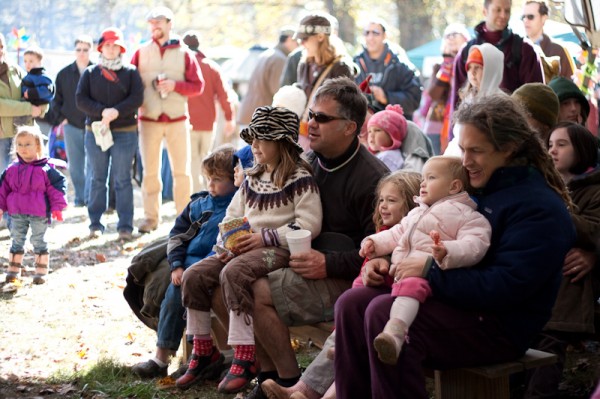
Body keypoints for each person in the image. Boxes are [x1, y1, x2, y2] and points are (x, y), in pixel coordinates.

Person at [333, 93, 575, 399]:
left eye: (476, 151)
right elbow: (426, 236)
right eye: (462, 149)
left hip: (500, 325)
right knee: (352, 304)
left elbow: (506, 288)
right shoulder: (478, 187)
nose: (466, 161)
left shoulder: (539, 208)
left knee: (382, 313)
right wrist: (391, 267)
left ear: (509, 148)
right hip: (453, 300)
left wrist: (428, 271)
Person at [176, 106, 323, 393]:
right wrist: (229, 242)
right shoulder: (252, 177)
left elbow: (309, 224)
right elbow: (232, 215)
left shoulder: (299, 179)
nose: (253, 146)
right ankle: (203, 349)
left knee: (235, 273)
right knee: (196, 276)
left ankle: (245, 356)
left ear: (280, 142)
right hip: (244, 248)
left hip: (279, 249)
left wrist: (264, 238)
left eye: (261, 139)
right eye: (252, 139)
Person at [261, 170, 422, 399]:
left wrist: (378, 269)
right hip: (356, 310)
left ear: (411, 206)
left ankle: (304, 391)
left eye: (392, 200)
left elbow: (398, 275)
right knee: (342, 345)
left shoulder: (405, 240)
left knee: (346, 348)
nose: (383, 206)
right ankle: (303, 391)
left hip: (382, 314)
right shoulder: (381, 235)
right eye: (381, 200)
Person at [360, 156, 491, 364]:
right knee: (361, 284)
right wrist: (374, 243)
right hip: (399, 270)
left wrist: (447, 250)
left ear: (454, 186)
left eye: (430, 178)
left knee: (409, 287)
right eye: (423, 178)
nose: (423, 183)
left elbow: (476, 244)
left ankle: (395, 332)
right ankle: (339, 340)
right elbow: (396, 233)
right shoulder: (417, 212)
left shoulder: (468, 216)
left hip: (426, 274)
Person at [131, 144, 242, 379]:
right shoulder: (199, 205)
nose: (210, 185)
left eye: (218, 179)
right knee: (174, 295)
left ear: (235, 178)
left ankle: (208, 356)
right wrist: (176, 265)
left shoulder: (240, 205)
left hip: (217, 264)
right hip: (187, 263)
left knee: (197, 289)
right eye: (208, 179)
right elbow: (177, 236)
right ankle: (162, 357)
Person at [523, 122, 600, 398]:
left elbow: (594, 231)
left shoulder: (595, 190)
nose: (552, 150)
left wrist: (556, 208)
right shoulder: (542, 186)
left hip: (568, 298)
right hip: (535, 289)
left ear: (581, 149)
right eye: (550, 144)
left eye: (562, 144)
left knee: (546, 359)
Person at [131, 6, 204, 233]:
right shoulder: (140, 52)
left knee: (181, 172)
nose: (154, 26)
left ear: (169, 24)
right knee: (150, 172)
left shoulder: (185, 54)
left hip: (177, 119)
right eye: (151, 22)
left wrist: (175, 86)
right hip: (149, 119)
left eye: (159, 22)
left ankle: (184, 218)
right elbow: (130, 86)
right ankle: (151, 218)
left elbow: (198, 86)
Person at [76, 27, 144, 240]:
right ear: (101, 48)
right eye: (108, 45)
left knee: (123, 179)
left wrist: (117, 111)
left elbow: (137, 98)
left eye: (115, 45)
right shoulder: (90, 73)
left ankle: (125, 226)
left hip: (125, 132)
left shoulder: (131, 72)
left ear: (121, 48)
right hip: (96, 132)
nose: (111, 49)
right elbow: (81, 99)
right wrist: (101, 111)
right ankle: (95, 223)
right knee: (97, 177)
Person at [450, 0, 544, 115]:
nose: (503, 15)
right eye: (498, 10)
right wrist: (454, 131)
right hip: (472, 125)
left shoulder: (524, 49)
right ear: (485, 11)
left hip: (513, 126)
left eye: (507, 11)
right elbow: (457, 100)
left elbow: (537, 97)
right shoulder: (466, 51)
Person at [0, 125, 67, 284]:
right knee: (16, 239)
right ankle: (13, 270)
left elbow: (56, 188)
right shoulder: (11, 170)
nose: (23, 148)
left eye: (27, 144)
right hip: (17, 212)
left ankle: (41, 271)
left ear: (37, 145)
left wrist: (57, 207)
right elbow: (2, 189)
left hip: (38, 212)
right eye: (20, 144)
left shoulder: (46, 169)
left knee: (38, 240)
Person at [182, 31, 235, 193]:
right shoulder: (211, 66)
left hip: (187, 122)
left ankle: (195, 196)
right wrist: (229, 117)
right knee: (206, 159)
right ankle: (208, 194)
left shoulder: (182, 66)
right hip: (207, 122)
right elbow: (223, 94)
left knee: (191, 161)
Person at [294, 13, 356, 150]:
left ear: (321, 37)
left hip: (329, 140)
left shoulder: (341, 67)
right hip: (305, 136)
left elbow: (346, 108)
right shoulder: (304, 64)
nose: (301, 44)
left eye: (304, 39)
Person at [49, 35, 94, 207]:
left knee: (93, 163)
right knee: (75, 165)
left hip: (94, 125)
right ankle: (80, 197)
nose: (82, 53)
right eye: (78, 49)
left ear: (91, 50)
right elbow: (55, 100)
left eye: (85, 49)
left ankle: (91, 196)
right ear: (74, 51)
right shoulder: (64, 74)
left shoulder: (98, 71)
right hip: (71, 125)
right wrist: (62, 119)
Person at [353, 18, 422, 118]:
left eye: (375, 33)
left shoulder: (400, 65)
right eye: (367, 33)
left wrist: (386, 97)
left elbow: (414, 100)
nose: (370, 37)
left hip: (393, 127)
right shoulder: (355, 63)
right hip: (362, 126)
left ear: (385, 36)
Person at [417, 23, 470, 154]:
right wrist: (447, 65)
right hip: (437, 124)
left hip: (462, 120)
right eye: (447, 35)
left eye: (455, 34)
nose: (451, 38)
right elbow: (434, 95)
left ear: (465, 39)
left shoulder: (470, 66)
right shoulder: (439, 67)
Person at [445, 43, 505, 156]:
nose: (472, 73)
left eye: (477, 67)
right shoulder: (468, 98)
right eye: (469, 68)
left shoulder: (501, 103)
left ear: (491, 69)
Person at [0, 33, 44, 174]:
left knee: (26, 179)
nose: (0, 50)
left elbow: (36, 89)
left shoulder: (15, 70)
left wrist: (42, 107)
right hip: (1, 138)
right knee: (3, 180)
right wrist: (29, 108)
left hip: (23, 135)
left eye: (1, 46)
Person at [237, 27, 299, 126]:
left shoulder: (267, 54)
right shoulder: (279, 59)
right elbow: (278, 92)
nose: (298, 46)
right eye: (297, 42)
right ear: (289, 40)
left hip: (251, 113)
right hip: (262, 118)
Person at [521, 1, 575, 79]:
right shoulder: (516, 49)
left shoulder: (559, 50)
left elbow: (569, 86)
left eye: (530, 16)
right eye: (523, 17)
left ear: (543, 18)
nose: (525, 20)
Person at [13, 46, 53, 126]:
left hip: (36, 104)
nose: (27, 64)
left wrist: (31, 93)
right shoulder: (29, 75)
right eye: (25, 61)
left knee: (21, 123)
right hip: (28, 103)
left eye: (31, 61)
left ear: (40, 61)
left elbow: (47, 90)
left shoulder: (42, 76)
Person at [366, 104, 408, 171]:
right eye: (369, 131)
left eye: (377, 130)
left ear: (393, 135)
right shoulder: (382, 155)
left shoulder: (388, 157)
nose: (371, 135)